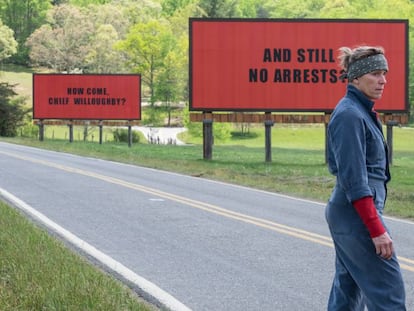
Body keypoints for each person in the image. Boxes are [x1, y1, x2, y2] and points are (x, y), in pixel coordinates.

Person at [325, 45, 406, 310]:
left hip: (352, 213)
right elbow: (355, 181)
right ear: (356, 78)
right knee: (388, 294)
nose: (382, 80)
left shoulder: (359, 111)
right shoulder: (349, 115)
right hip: (356, 214)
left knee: (348, 291)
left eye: (384, 73)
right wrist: (376, 229)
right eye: (374, 74)